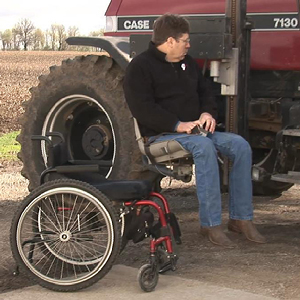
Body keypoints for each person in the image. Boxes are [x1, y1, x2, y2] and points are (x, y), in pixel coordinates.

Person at [123, 13, 266, 248]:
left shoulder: (187, 63)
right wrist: (177, 125)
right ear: (170, 41)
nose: (189, 45)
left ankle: (241, 218)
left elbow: (205, 93)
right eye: (185, 40)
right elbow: (142, 109)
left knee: (239, 145)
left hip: (195, 132)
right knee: (204, 146)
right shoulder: (139, 67)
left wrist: (207, 113)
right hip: (162, 135)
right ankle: (209, 224)